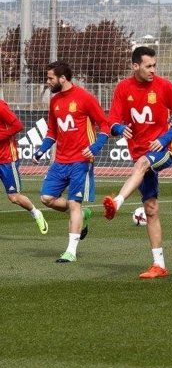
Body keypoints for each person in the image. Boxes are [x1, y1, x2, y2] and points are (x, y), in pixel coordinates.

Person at [102, 46, 172, 279]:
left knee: (141, 164)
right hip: (140, 151)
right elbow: (112, 121)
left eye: (154, 66)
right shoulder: (123, 88)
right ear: (135, 66)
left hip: (164, 150)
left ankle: (117, 202)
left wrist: (165, 137)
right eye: (148, 66)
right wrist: (119, 128)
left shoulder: (164, 86)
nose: (153, 70)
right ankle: (159, 264)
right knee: (150, 209)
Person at [33, 60, 110, 262]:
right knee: (46, 198)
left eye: (50, 78)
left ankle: (71, 252)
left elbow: (105, 124)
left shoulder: (85, 97)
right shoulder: (55, 101)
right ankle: (82, 213)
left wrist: (95, 147)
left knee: (74, 203)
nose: (47, 81)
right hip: (60, 161)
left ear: (62, 78)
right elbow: (52, 132)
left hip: (81, 161)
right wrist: (41, 151)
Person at [0, 100, 49, 234]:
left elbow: (18, 126)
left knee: (14, 197)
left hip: (7, 159)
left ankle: (35, 213)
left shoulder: (1, 107)